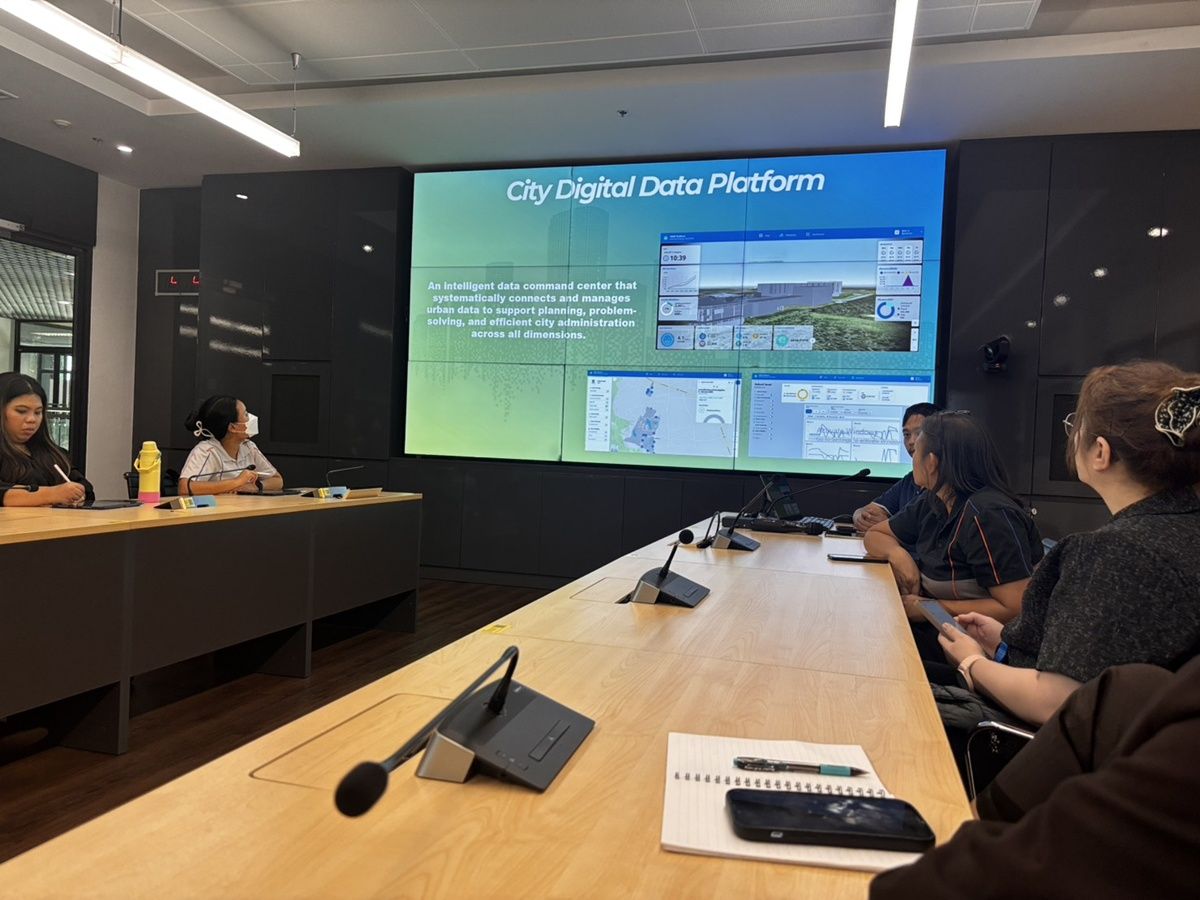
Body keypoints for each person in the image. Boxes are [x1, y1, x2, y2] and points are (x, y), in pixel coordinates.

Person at [936, 360, 1200, 728]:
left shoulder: (1116, 552)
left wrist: (972, 662)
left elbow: (1056, 701)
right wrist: (1006, 643)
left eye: (1077, 426)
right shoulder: (1181, 530)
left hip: (1030, 746)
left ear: (1101, 452)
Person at [870, 656, 1200, 899]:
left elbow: (1050, 695)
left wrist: (973, 663)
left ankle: (954, 846)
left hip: (1009, 724)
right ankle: (958, 839)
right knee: (1130, 690)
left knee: (895, 707)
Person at [863, 411, 1043, 625]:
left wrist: (928, 608)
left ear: (931, 462)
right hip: (942, 629)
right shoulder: (935, 499)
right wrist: (898, 556)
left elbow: (1014, 607)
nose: (912, 457)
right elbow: (875, 534)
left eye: (916, 450)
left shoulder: (988, 515)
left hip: (976, 640)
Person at [0, 371, 92, 508]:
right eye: (21, 411)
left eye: (38, 412)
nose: (32, 419)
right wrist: (52, 494)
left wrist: (78, 493)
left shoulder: (52, 453)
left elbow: (84, 486)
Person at [852, 402, 941, 531]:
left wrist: (891, 526)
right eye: (907, 435)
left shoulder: (944, 485)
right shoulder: (910, 480)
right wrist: (860, 516)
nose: (911, 441)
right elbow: (870, 509)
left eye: (919, 433)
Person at [179, 395, 283, 495]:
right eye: (246, 414)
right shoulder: (206, 450)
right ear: (233, 427)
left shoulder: (249, 447)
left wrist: (257, 486)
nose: (251, 418)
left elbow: (277, 480)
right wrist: (237, 482)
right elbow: (184, 488)